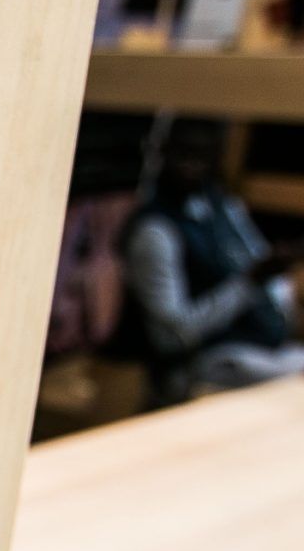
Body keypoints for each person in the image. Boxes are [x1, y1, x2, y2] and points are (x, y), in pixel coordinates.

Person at [120, 119, 304, 402]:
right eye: (183, 153)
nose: (191, 164)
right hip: (205, 360)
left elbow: (265, 270)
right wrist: (249, 284)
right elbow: (172, 336)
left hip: (263, 346)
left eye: (201, 156)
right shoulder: (156, 230)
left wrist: (275, 277)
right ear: (163, 153)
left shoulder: (223, 207)